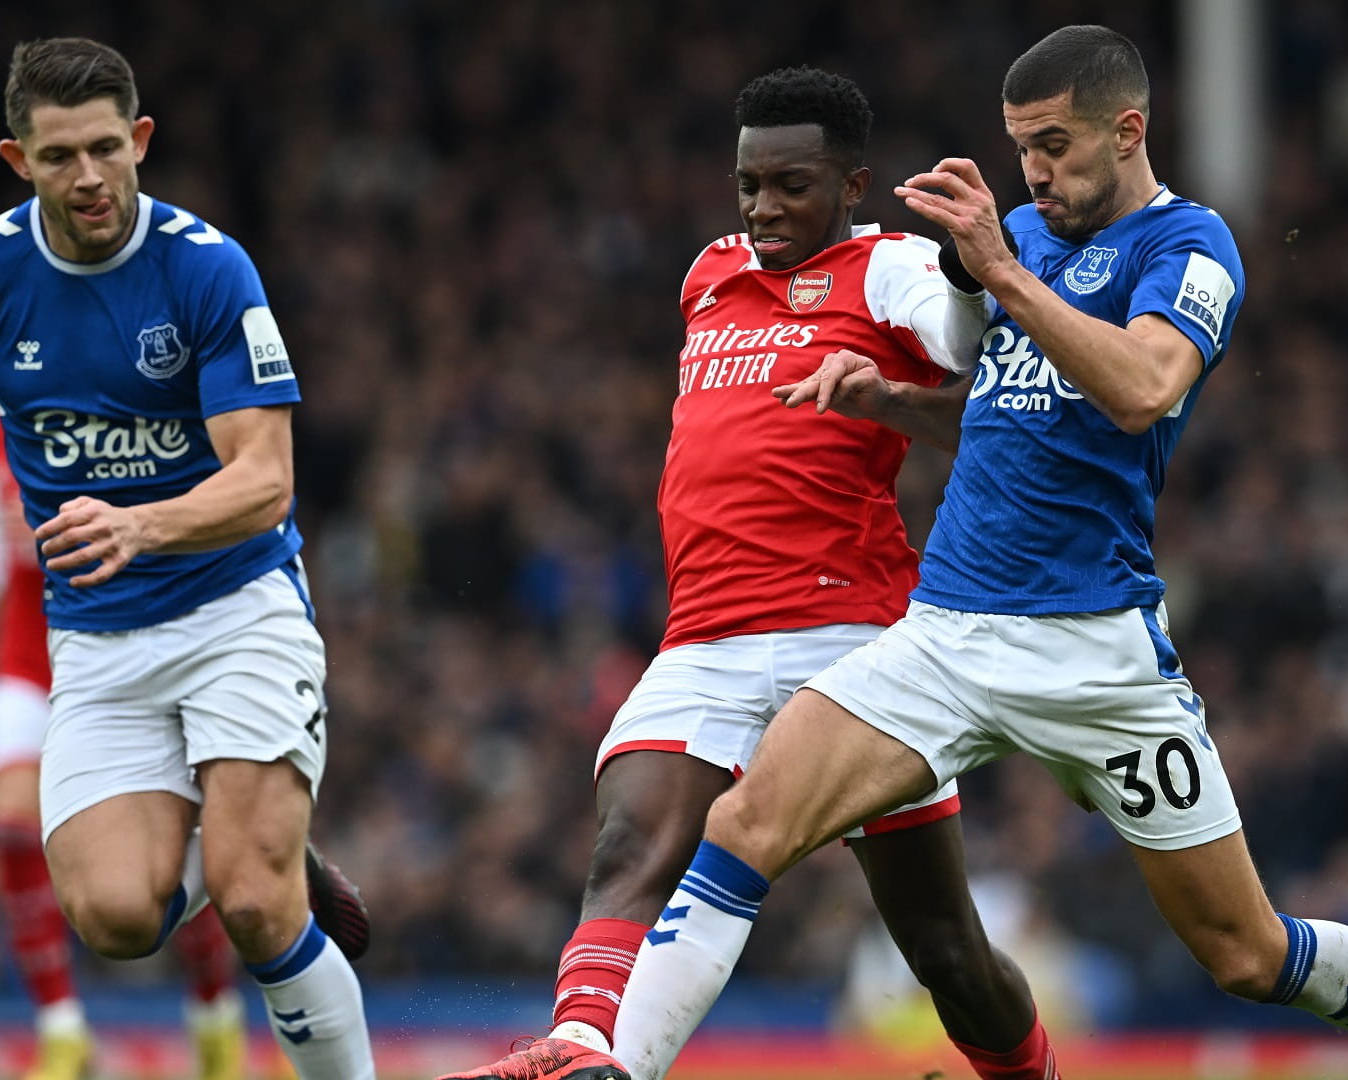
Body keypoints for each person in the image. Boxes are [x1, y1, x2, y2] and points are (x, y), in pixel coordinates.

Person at [587, 25, 1348, 1080]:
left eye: (1053, 146)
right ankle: (614, 1068)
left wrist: (1002, 272)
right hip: (945, 634)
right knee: (746, 821)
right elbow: (1003, 409)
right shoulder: (1028, 237)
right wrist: (892, 399)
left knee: (1246, 953)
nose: (1034, 173)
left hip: (1094, 652)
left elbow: (1142, 389)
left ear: (1126, 131)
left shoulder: (1188, 246)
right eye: (1020, 149)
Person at [436, 67, 1060, 1080]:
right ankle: (582, 1047)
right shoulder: (709, 274)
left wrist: (957, 282)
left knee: (946, 951)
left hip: (851, 643)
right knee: (630, 841)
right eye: (749, 184)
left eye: (792, 185)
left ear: (852, 186)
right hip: (706, 638)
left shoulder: (890, 266)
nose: (764, 207)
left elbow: (960, 352)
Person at [0, 37, 373, 1080]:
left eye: (105, 149)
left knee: (257, 906)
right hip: (94, 636)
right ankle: (253, 841)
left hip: (236, 609)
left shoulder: (206, 268)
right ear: (17, 160)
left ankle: (257, 862)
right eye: (58, 157)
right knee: (117, 919)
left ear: (141, 140)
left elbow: (266, 481)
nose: (87, 177)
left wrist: (142, 525)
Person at [0, 391, 249, 1080]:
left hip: (126, 650)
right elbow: (2, 494)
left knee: (181, 844)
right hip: (30, 653)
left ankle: (215, 1018)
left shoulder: (116, 385)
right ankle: (62, 1031)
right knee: (11, 825)